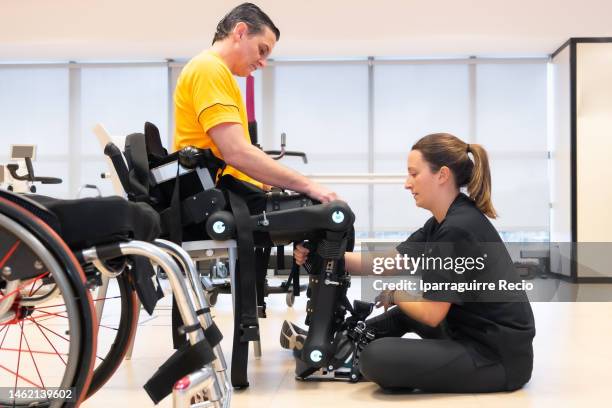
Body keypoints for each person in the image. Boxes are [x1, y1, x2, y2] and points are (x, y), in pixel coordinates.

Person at [293, 133, 536, 393]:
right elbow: (385, 263)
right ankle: (344, 344)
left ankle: (356, 353)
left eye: (414, 174)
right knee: (403, 314)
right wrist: (324, 255)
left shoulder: (457, 229)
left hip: (496, 358)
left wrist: (396, 293)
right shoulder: (443, 221)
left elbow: (432, 315)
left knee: (377, 357)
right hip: (470, 333)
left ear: (442, 175)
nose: (407, 184)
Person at [173, 2, 336, 209]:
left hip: (232, 190)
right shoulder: (208, 68)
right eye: (262, 50)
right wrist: (310, 186)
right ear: (240, 32)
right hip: (217, 196)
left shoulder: (216, 72)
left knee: (322, 212)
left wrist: (268, 182)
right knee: (332, 216)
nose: (263, 62)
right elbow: (236, 152)